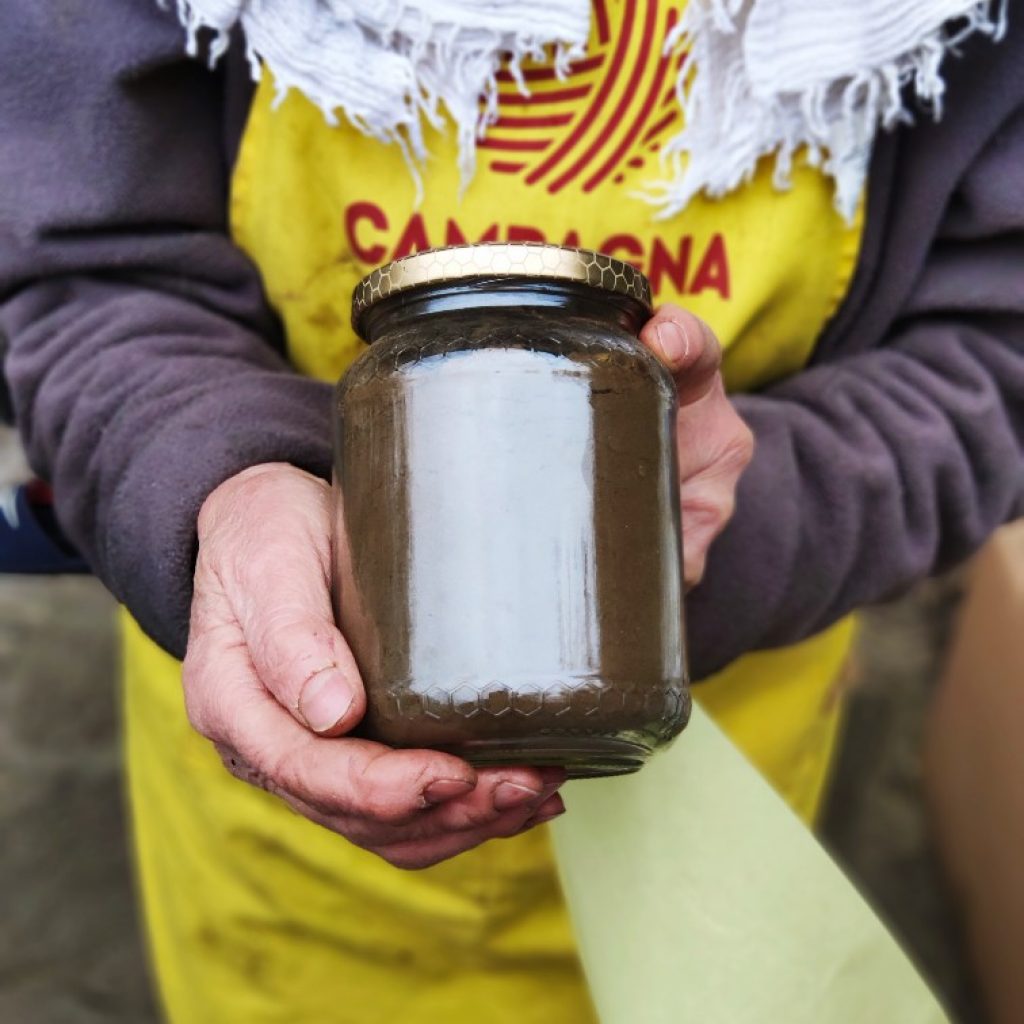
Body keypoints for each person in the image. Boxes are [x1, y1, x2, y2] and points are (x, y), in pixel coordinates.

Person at [0, 1, 1021, 1021]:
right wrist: (214, 478)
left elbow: (998, 352)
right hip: (289, 759)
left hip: (722, 752)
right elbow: (85, 266)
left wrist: (752, 511)